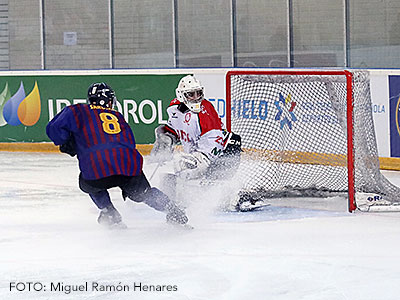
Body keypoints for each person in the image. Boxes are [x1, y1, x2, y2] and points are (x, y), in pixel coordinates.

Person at [46, 82, 189, 228]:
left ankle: (109, 213)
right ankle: (174, 211)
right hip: (128, 167)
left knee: (89, 184)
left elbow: (53, 129)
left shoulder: (77, 110)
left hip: (96, 170)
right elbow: (128, 143)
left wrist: (67, 142)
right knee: (144, 193)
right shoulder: (117, 116)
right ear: (108, 101)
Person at [149, 75, 242, 208]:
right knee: (175, 172)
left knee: (183, 165)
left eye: (199, 93)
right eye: (191, 94)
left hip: (220, 154)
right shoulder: (174, 108)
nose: (196, 97)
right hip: (199, 153)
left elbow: (213, 144)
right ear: (181, 95)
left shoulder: (205, 112)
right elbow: (173, 129)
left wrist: (198, 160)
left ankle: (232, 196)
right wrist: (166, 138)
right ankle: (182, 195)